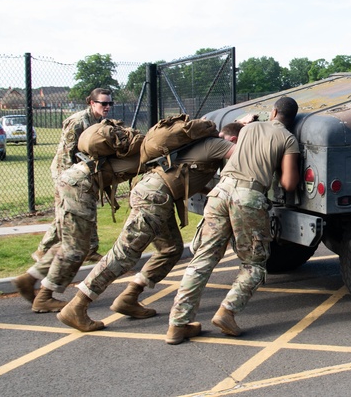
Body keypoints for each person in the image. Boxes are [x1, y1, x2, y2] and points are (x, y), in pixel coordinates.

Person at [57, 129, 236, 332]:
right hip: (154, 199)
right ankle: (77, 306)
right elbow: (243, 153)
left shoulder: (202, 146)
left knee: (171, 249)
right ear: (232, 138)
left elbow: (186, 177)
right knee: (124, 253)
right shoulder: (218, 144)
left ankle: (130, 296)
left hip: (158, 197)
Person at [166, 97, 299, 345]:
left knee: (203, 259)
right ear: (291, 119)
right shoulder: (289, 139)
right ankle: (227, 312)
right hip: (247, 198)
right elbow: (289, 183)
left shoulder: (248, 129)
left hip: (219, 193)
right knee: (254, 264)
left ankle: (177, 324)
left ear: (273, 112)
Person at [14, 145, 142, 313]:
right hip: (80, 186)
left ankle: (30, 278)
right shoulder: (151, 152)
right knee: (77, 248)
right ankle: (44, 297)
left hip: (70, 178)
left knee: (70, 242)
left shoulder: (138, 146)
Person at [30, 88, 114, 264]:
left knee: (89, 206)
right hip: (66, 172)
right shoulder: (77, 122)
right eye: (103, 103)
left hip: (84, 171)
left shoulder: (101, 121)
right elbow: (67, 154)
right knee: (66, 211)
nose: (107, 107)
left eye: (109, 103)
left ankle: (91, 250)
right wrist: (70, 179)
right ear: (92, 103)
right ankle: (42, 250)